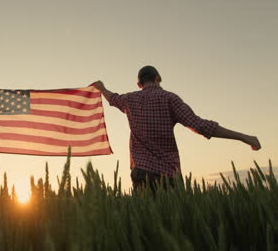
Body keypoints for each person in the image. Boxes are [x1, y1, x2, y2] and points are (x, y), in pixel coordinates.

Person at [94, 66, 261, 193]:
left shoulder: (130, 99)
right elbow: (199, 125)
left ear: (139, 84)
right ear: (158, 78)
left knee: (147, 226)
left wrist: (101, 88)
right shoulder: (170, 98)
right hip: (169, 175)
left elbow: (113, 98)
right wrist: (243, 137)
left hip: (141, 172)